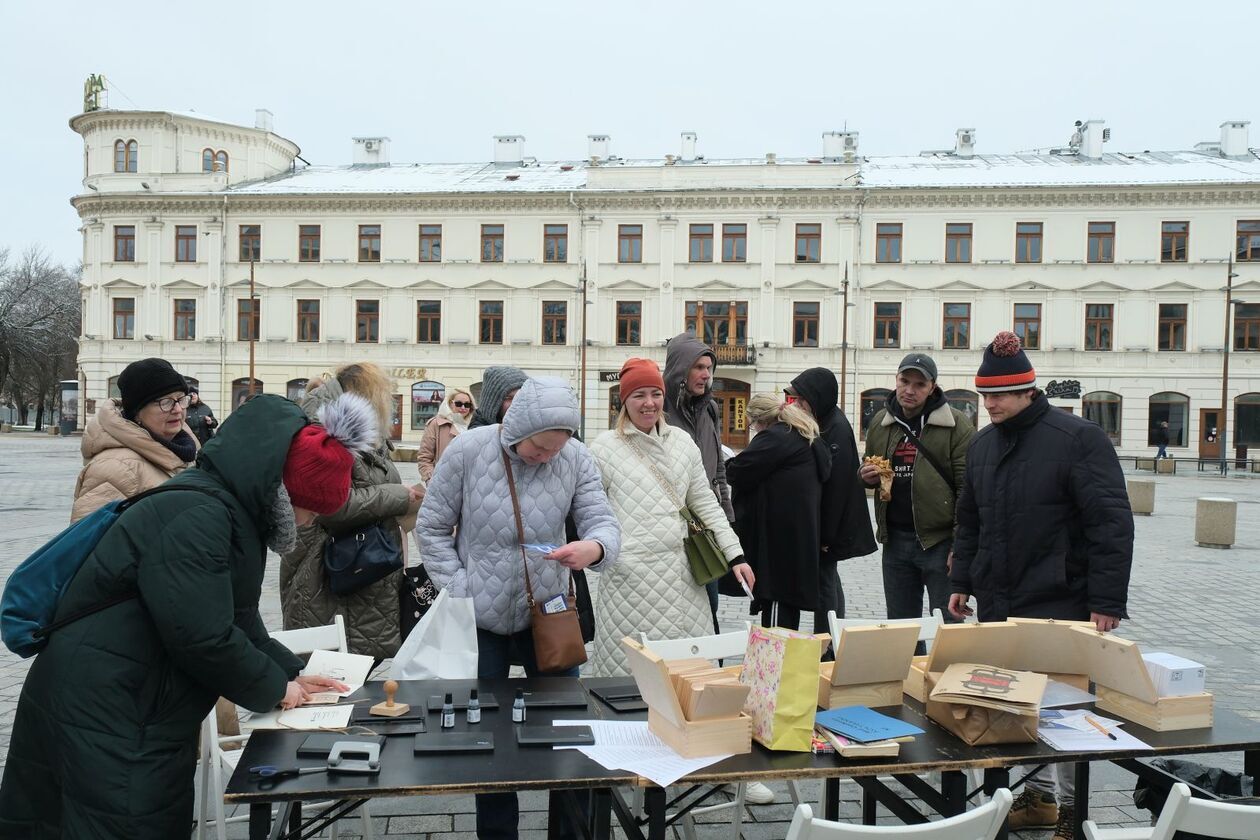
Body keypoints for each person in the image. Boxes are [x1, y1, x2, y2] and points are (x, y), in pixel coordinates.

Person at [0, 393, 371, 838]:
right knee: (122, 823)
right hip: (109, 705)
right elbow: (202, 635)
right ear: (285, 490)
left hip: (135, 699)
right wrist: (278, 688)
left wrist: (293, 674)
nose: (310, 523)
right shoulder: (200, 516)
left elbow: (239, 619)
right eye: (311, 509)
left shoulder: (230, 511)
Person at [948, 331, 1134, 840]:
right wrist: (962, 577)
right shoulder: (983, 444)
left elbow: (1110, 522)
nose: (990, 405)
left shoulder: (1078, 439)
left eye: (1001, 395)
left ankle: (1074, 810)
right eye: (985, 395)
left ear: (1029, 390)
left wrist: (1107, 601)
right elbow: (971, 521)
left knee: (1065, 711)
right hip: (999, 600)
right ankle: (1041, 799)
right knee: (1013, 706)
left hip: (1063, 598)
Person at [418, 376, 621, 840]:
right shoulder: (469, 451)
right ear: (518, 428)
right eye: (538, 449)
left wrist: (592, 548)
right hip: (481, 617)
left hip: (547, 615)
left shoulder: (575, 458)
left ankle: (569, 834)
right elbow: (431, 529)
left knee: (566, 732)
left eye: (555, 450)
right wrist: (462, 587)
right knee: (486, 739)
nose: (546, 457)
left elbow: (602, 520)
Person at [589, 358, 754, 677]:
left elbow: (705, 502)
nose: (649, 403)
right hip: (630, 583)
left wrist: (736, 556)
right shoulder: (604, 448)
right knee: (632, 680)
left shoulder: (681, 442)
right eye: (639, 395)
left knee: (686, 679)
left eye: (655, 393)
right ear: (624, 400)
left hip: (683, 579)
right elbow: (593, 512)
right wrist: (606, 553)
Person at [280, 363, 423, 660]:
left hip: (358, 568)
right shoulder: (326, 428)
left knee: (356, 666)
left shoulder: (350, 424)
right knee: (337, 667)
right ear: (365, 393)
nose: (389, 403)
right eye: (385, 395)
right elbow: (327, 504)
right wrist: (398, 496)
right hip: (333, 571)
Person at [858, 354, 973, 646]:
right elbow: (868, 464)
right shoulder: (881, 424)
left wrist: (959, 548)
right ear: (896, 381)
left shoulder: (956, 426)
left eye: (919, 384)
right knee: (902, 630)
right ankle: (908, 684)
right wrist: (865, 475)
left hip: (940, 542)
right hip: (896, 541)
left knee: (949, 627)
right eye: (904, 381)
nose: (910, 390)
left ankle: (946, 686)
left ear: (932, 387)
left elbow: (967, 490)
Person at [727, 394, 831, 631]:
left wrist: (727, 463)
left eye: (752, 424)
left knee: (776, 612)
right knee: (787, 608)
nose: (754, 429)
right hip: (798, 536)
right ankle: (781, 664)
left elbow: (739, 471)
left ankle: (775, 667)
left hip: (780, 541)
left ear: (760, 420)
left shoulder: (776, 437)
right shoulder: (801, 434)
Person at [786, 367, 877, 631]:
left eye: (802, 399)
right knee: (828, 579)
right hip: (830, 524)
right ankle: (833, 636)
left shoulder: (834, 428)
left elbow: (837, 489)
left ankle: (827, 643)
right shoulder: (825, 420)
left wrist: (825, 535)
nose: (798, 405)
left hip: (832, 526)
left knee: (823, 582)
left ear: (816, 398)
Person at [663, 333, 733, 635]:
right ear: (680, 368)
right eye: (698, 367)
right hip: (669, 525)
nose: (706, 375)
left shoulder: (709, 408)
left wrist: (727, 515)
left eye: (709, 367)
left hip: (705, 525)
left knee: (709, 602)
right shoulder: (658, 409)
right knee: (671, 610)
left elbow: (717, 465)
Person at [71, 357, 198, 523]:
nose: (178, 409)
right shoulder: (116, 468)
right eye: (165, 402)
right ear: (137, 413)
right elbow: (90, 542)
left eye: (181, 399)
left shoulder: (187, 452)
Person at [417, 387, 475, 482]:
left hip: (470, 482)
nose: (463, 408)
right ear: (450, 403)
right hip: (444, 482)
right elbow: (425, 457)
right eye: (459, 404)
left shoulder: (475, 425)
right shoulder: (436, 424)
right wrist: (430, 479)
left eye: (467, 404)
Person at [468, 365, 528, 429]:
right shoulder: (478, 436)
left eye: (521, 396)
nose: (516, 402)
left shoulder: (527, 429)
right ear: (491, 402)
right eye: (508, 398)